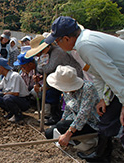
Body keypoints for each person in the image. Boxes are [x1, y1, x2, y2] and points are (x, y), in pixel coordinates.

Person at [45, 16, 124, 162]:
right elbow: (98, 74)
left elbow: (112, 75)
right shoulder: (83, 43)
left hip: (121, 81)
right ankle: (102, 154)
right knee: (107, 118)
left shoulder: (85, 45)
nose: (57, 44)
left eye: (57, 41)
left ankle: (103, 156)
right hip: (119, 82)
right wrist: (102, 98)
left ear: (67, 38)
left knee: (112, 121)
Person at [25, 35, 83, 126]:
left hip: (72, 77)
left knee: (54, 94)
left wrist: (40, 64)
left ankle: (56, 117)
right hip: (61, 78)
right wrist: (40, 77)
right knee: (51, 93)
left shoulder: (57, 52)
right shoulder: (48, 54)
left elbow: (48, 68)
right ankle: (52, 115)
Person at [44, 65, 99, 150]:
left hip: (90, 122)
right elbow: (68, 108)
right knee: (49, 133)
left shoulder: (88, 89)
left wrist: (67, 134)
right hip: (74, 117)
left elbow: (83, 114)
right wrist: (62, 120)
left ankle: (91, 140)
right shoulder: (67, 91)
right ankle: (75, 139)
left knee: (61, 126)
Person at [0, 58, 30, 122]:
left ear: (1, 68)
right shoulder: (5, 77)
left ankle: (18, 114)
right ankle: (11, 112)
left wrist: (1, 94)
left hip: (23, 101)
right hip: (14, 98)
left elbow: (16, 93)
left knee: (7, 97)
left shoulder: (14, 76)